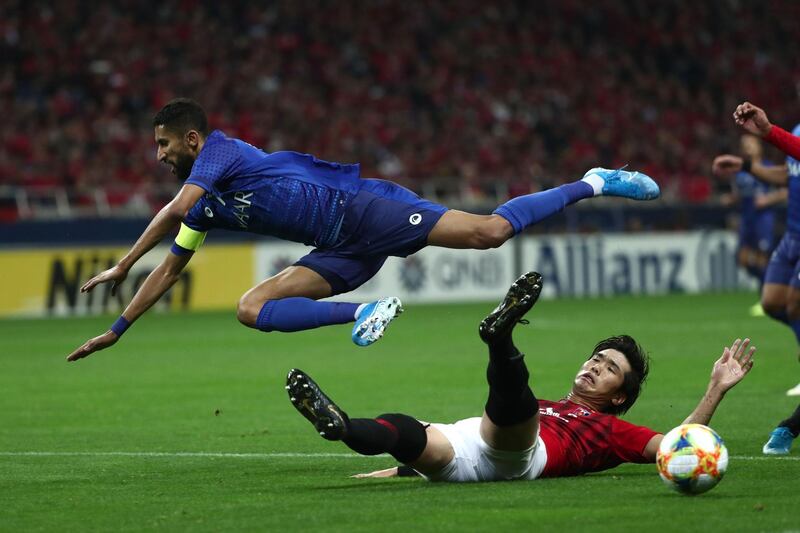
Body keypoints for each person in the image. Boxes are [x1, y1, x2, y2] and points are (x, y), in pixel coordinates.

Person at [67, 98, 660, 361]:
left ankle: (594, 182)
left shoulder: (218, 154)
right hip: (339, 248)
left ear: (191, 140)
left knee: (489, 233)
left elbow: (172, 209)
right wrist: (119, 328)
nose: (159, 154)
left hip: (365, 208)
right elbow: (172, 266)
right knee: (251, 307)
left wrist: (121, 264)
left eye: (164, 145)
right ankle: (365, 311)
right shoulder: (205, 209)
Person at [286, 272, 755, 482]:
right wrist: (389, 471)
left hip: (524, 455)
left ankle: (500, 336)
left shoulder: (612, 431)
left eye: (611, 369)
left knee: (518, 407)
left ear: (619, 397)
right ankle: (341, 426)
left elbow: (679, 448)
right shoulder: (554, 402)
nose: (596, 366)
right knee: (403, 430)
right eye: (597, 358)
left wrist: (715, 389)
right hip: (474, 442)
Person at [713, 101, 800, 455]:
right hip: (793, 234)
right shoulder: (795, 131)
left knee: (796, 304)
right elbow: (787, 174)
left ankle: (790, 426)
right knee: (773, 302)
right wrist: (748, 165)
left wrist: (766, 132)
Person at [715, 134, 785, 315]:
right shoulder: (740, 173)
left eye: (751, 144)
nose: (747, 147)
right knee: (743, 259)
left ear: (759, 146)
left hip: (763, 218)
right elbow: (741, 194)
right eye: (744, 144)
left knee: (762, 259)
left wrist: (768, 199)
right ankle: (769, 293)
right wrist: (731, 199)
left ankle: (766, 301)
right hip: (746, 219)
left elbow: (786, 192)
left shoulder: (769, 168)